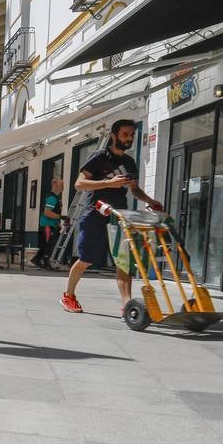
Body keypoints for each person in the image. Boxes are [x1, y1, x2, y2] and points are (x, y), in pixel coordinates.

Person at [62, 119, 163, 313]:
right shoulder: (100, 156)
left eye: (132, 135)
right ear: (114, 136)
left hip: (120, 215)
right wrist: (108, 183)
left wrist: (150, 201)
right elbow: (79, 184)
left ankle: (127, 304)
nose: (129, 138)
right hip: (95, 212)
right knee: (86, 259)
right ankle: (68, 296)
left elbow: (134, 189)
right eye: (125, 134)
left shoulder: (129, 161)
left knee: (123, 260)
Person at [34, 176, 64, 270]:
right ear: (54, 185)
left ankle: (37, 259)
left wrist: (58, 223)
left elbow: (54, 212)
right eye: (61, 184)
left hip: (51, 224)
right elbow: (47, 212)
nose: (63, 186)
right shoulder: (52, 198)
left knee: (46, 244)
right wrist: (60, 217)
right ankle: (45, 263)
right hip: (47, 225)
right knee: (49, 244)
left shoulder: (56, 198)